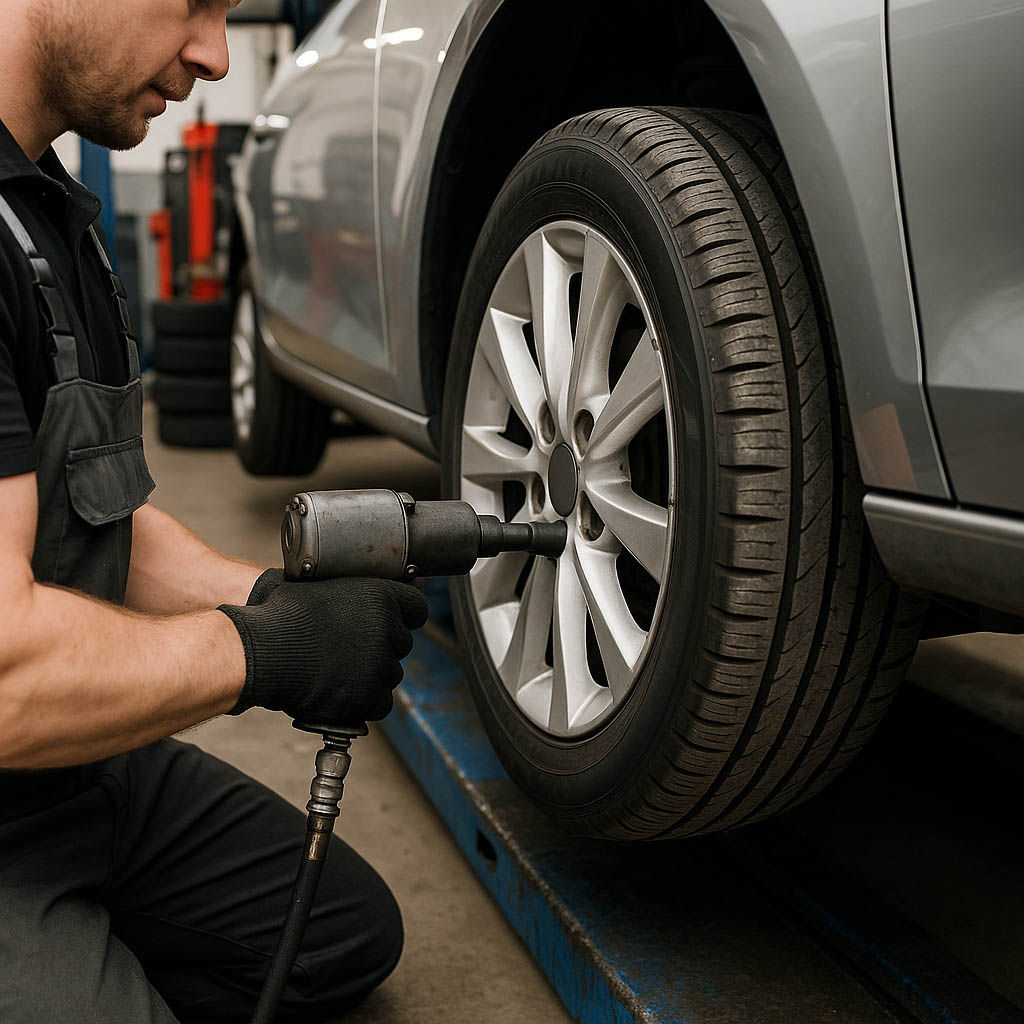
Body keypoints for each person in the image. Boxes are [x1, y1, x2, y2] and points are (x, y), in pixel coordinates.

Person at [0, 2, 430, 1021]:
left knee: (337, 933)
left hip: (76, 769)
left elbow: (100, 516)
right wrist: (262, 653)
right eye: (192, 1)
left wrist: (271, 598)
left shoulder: (48, 211)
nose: (215, 51)